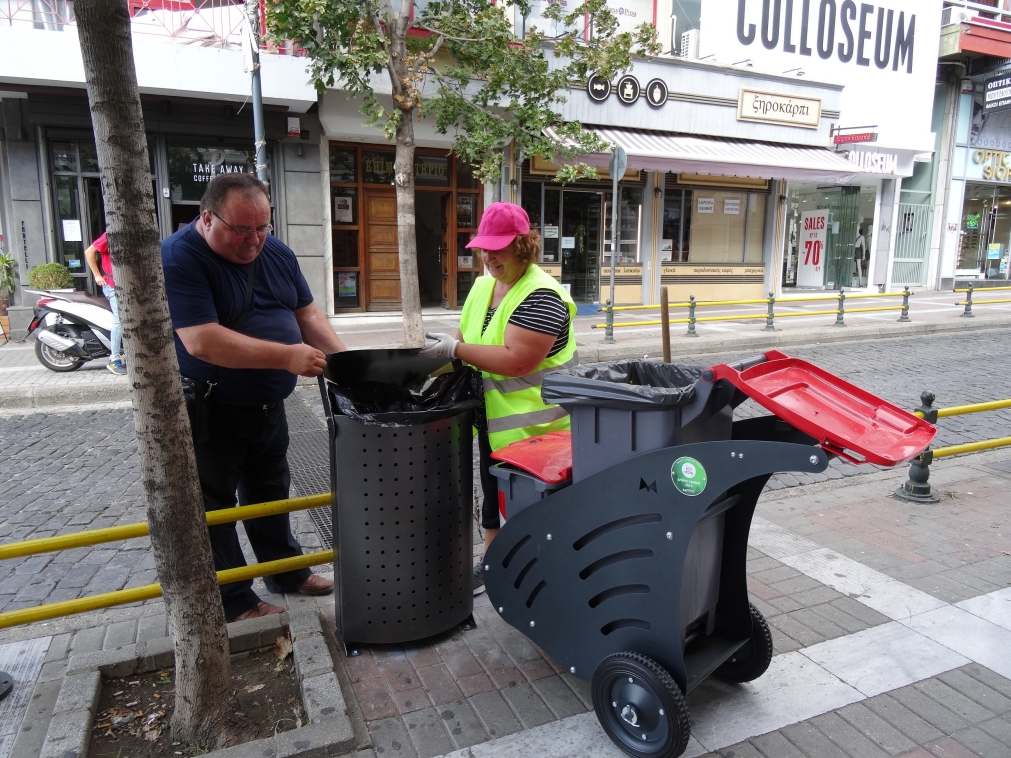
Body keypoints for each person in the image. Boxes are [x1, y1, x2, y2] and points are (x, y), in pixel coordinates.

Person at [162, 173, 346, 621]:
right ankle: (235, 600)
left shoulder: (274, 249)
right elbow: (201, 340)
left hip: (267, 405)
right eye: (241, 230)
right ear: (207, 218)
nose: (253, 241)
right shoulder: (179, 257)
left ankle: (285, 571)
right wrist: (286, 357)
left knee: (271, 491)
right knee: (216, 506)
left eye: (262, 228)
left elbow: (307, 314)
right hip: (213, 407)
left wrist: (347, 365)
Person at [420, 203, 577, 594]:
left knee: (535, 508)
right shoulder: (482, 287)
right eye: (484, 249)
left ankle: (541, 579)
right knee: (492, 491)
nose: (489, 257)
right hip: (496, 422)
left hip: (541, 429)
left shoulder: (543, 295)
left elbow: (517, 360)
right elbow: (468, 338)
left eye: (499, 249)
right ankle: (493, 563)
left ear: (524, 246)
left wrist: (455, 351)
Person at [84, 232, 125, 374]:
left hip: (125, 286)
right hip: (112, 285)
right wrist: (97, 275)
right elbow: (89, 251)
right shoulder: (112, 234)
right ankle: (114, 360)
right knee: (119, 321)